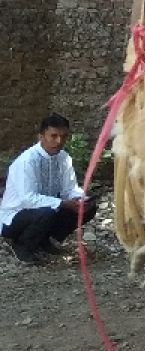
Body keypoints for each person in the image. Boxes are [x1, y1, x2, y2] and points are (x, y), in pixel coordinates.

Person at [1, 114, 97, 265]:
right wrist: (63, 203)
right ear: (41, 136)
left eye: (63, 136)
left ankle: (44, 240)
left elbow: (69, 189)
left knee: (88, 207)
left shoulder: (64, 158)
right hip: (14, 218)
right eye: (53, 136)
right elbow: (28, 199)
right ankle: (22, 245)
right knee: (48, 209)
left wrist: (81, 199)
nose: (59, 141)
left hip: (46, 212)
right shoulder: (27, 161)